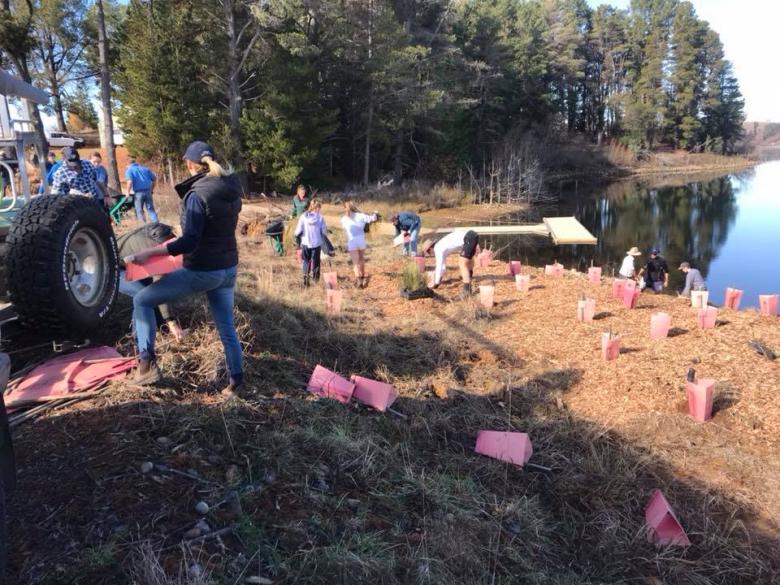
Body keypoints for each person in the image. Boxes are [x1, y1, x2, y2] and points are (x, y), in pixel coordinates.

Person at [123, 140, 243, 393]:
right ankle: (236, 381)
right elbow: (215, 230)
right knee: (227, 327)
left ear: (189, 164)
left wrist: (149, 254)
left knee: (142, 300)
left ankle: (146, 366)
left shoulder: (197, 194)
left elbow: (189, 241)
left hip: (203, 271)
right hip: (228, 268)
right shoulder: (231, 188)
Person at [117, 222, 185, 342]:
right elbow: (160, 286)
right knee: (142, 295)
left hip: (127, 264)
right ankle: (137, 339)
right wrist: (171, 321)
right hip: (113, 270)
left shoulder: (155, 232)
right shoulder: (155, 248)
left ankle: (160, 325)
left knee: (150, 291)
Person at [424, 229, 479, 296]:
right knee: (467, 260)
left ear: (430, 249)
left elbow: (439, 266)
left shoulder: (437, 248)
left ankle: (467, 291)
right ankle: (468, 278)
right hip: (472, 235)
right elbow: (443, 266)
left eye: (429, 253)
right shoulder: (441, 245)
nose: (430, 254)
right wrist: (439, 278)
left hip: (468, 238)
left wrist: (436, 283)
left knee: (462, 263)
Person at [341, 201, 378, 288]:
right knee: (361, 259)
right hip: (361, 240)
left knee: (355, 262)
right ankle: (362, 275)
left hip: (352, 241)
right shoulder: (361, 216)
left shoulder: (343, 219)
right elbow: (373, 218)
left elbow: (345, 227)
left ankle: (359, 280)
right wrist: (375, 213)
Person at [294, 199, 328, 286]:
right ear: (317, 208)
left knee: (306, 261)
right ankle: (316, 280)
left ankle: (306, 277)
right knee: (316, 262)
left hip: (305, 243)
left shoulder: (303, 216)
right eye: (319, 208)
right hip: (316, 244)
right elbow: (324, 232)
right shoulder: (320, 218)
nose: (320, 210)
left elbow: (297, 231)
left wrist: (298, 235)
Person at [125, 154, 158, 223]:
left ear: (128, 164)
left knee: (139, 210)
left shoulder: (129, 170)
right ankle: (156, 223)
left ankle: (143, 226)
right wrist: (151, 190)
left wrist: (127, 192)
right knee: (150, 209)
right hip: (148, 192)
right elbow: (154, 179)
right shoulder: (145, 169)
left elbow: (130, 181)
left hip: (138, 193)